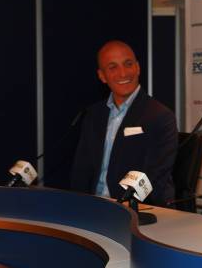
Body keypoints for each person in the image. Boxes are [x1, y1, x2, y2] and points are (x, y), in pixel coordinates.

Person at [71, 40, 178, 206]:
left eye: (128, 64)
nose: (123, 73)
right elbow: (81, 172)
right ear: (102, 76)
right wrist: (77, 206)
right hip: (93, 207)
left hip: (137, 210)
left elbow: (154, 177)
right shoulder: (93, 114)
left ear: (138, 68)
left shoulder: (161, 116)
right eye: (113, 67)